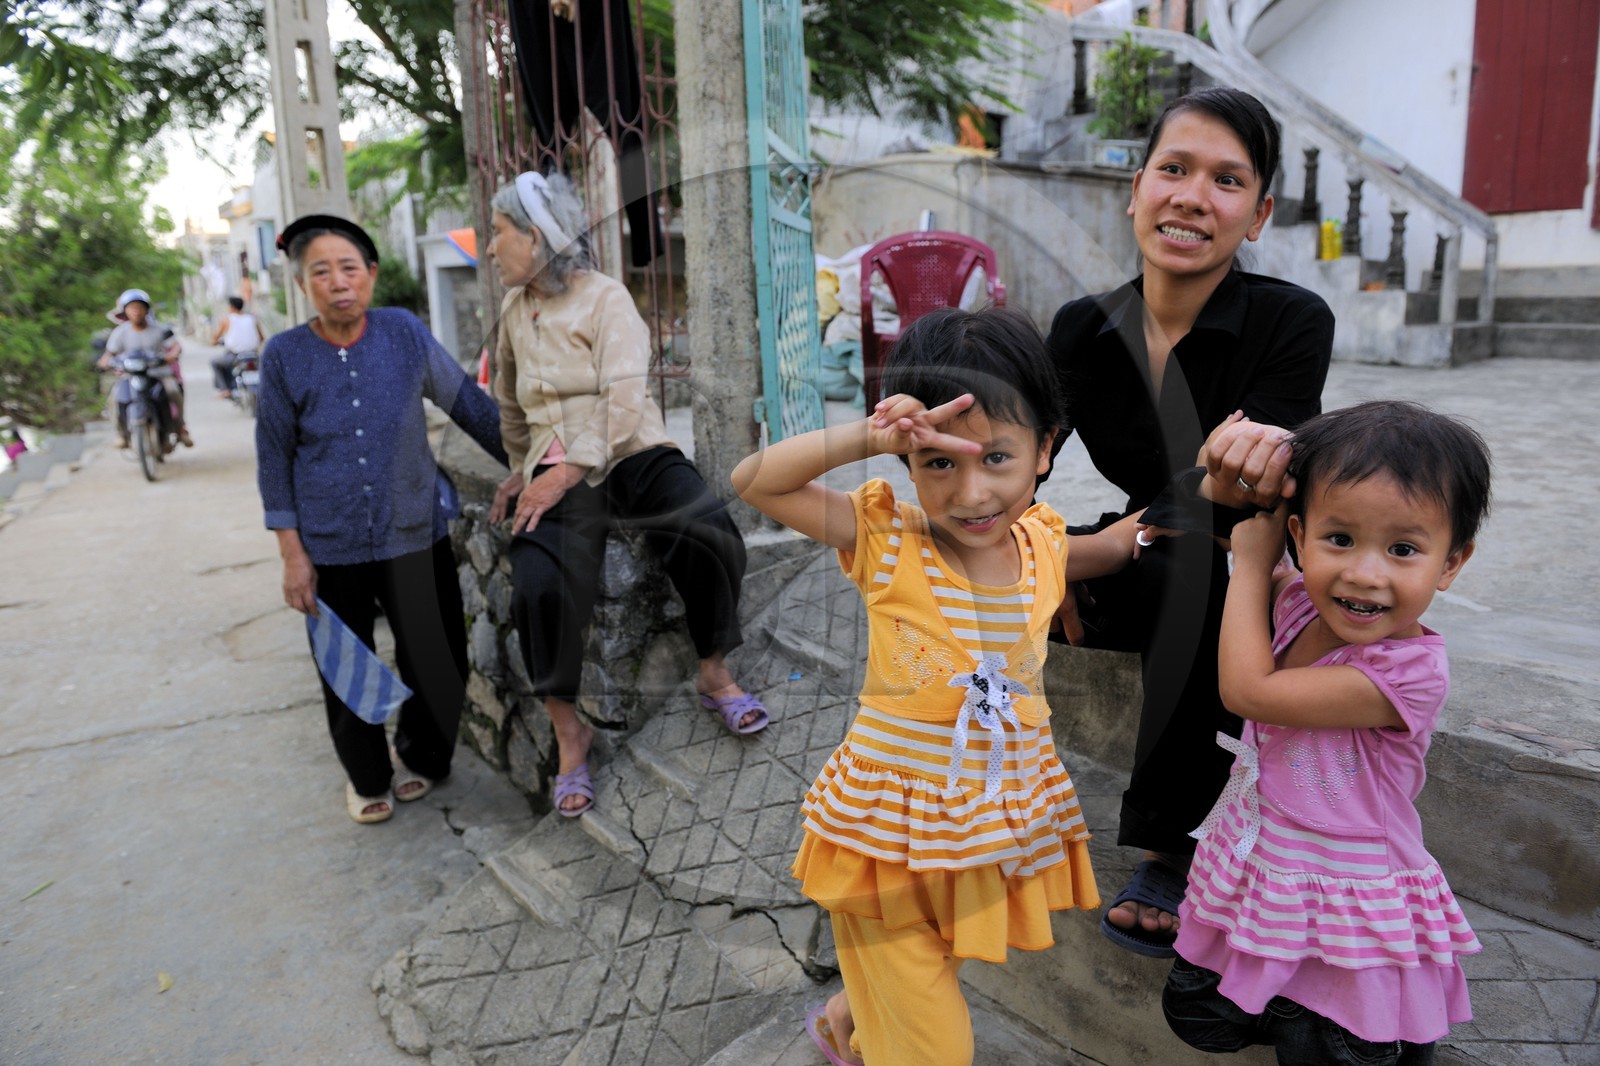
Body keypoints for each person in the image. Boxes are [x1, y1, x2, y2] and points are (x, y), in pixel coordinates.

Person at [734, 307, 1145, 1066]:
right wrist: (867, 436)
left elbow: (1107, 548)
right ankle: (865, 1025)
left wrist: (1162, 529)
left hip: (986, 825)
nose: (971, 493)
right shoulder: (889, 541)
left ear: (1046, 450)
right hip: (886, 835)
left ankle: (844, 1018)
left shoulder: (1041, 544)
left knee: (929, 960)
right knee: (935, 1047)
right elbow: (754, 481)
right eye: (939, 464)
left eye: (996, 458)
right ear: (910, 463)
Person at [1045, 86, 1335, 956]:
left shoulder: (1291, 320)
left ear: (1258, 214)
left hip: (1238, 561)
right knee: (964, 567)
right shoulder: (1080, 330)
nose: (1192, 197)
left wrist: (1090, 550)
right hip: (1135, 541)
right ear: (1135, 189)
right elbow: (1020, 452)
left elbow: (1245, 493)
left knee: (1198, 568)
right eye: (1173, 169)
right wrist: (1027, 543)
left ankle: (1175, 850)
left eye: (1226, 181)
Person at [1163, 399, 1489, 1064]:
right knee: (1201, 1013)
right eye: (1338, 538)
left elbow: (1251, 693)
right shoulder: (1293, 597)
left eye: (1403, 549)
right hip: (1271, 867)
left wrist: (1251, 565)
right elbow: (1200, 501)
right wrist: (1234, 461)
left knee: (1333, 1047)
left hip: (1353, 906)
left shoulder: (1408, 671)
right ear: (1299, 534)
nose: (1365, 573)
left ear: (1451, 563)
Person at [484, 170, 765, 819]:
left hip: (628, 445)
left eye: (499, 234)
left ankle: (714, 670)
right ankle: (569, 736)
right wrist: (525, 467)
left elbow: (625, 395)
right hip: (556, 458)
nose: (492, 248)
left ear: (536, 235)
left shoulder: (606, 299)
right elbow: (508, 398)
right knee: (538, 585)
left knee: (708, 529)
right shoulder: (513, 308)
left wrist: (569, 470)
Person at [255, 214, 509, 825]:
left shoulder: (402, 333)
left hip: (412, 532)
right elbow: (273, 458)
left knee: (437, 654)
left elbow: (468, 405)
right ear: (303, 284)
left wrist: (534, 462)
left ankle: (419, 751)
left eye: (350, 267)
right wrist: (292, 554)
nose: (339, 281)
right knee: (347, 664)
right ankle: (367, 776)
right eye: (322, 270)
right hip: (329, 541)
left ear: (370, 274)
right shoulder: (285, 356)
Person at [100, 289, 193, 449]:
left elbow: (175, 346)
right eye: (131, 308)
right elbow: (109, 354)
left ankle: (180, 428)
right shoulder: (120, 332)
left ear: (147, 309)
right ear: (125, 311)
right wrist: (105, 362)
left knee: (173, 392)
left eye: (139, 307)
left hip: (158, 374)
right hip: (131, 375)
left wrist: (172, 355)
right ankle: (121, 433)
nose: (136, 311)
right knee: (115, 398)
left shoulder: (159, 329)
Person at [209, 296, 265, 398]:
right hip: (253, 354)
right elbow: (262, 338)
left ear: (232, 307)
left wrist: (214, 342)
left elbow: (214, 338)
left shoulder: (227, 320)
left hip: (235, 356)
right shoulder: (252, 319)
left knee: (214, 362)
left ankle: (225, 390)